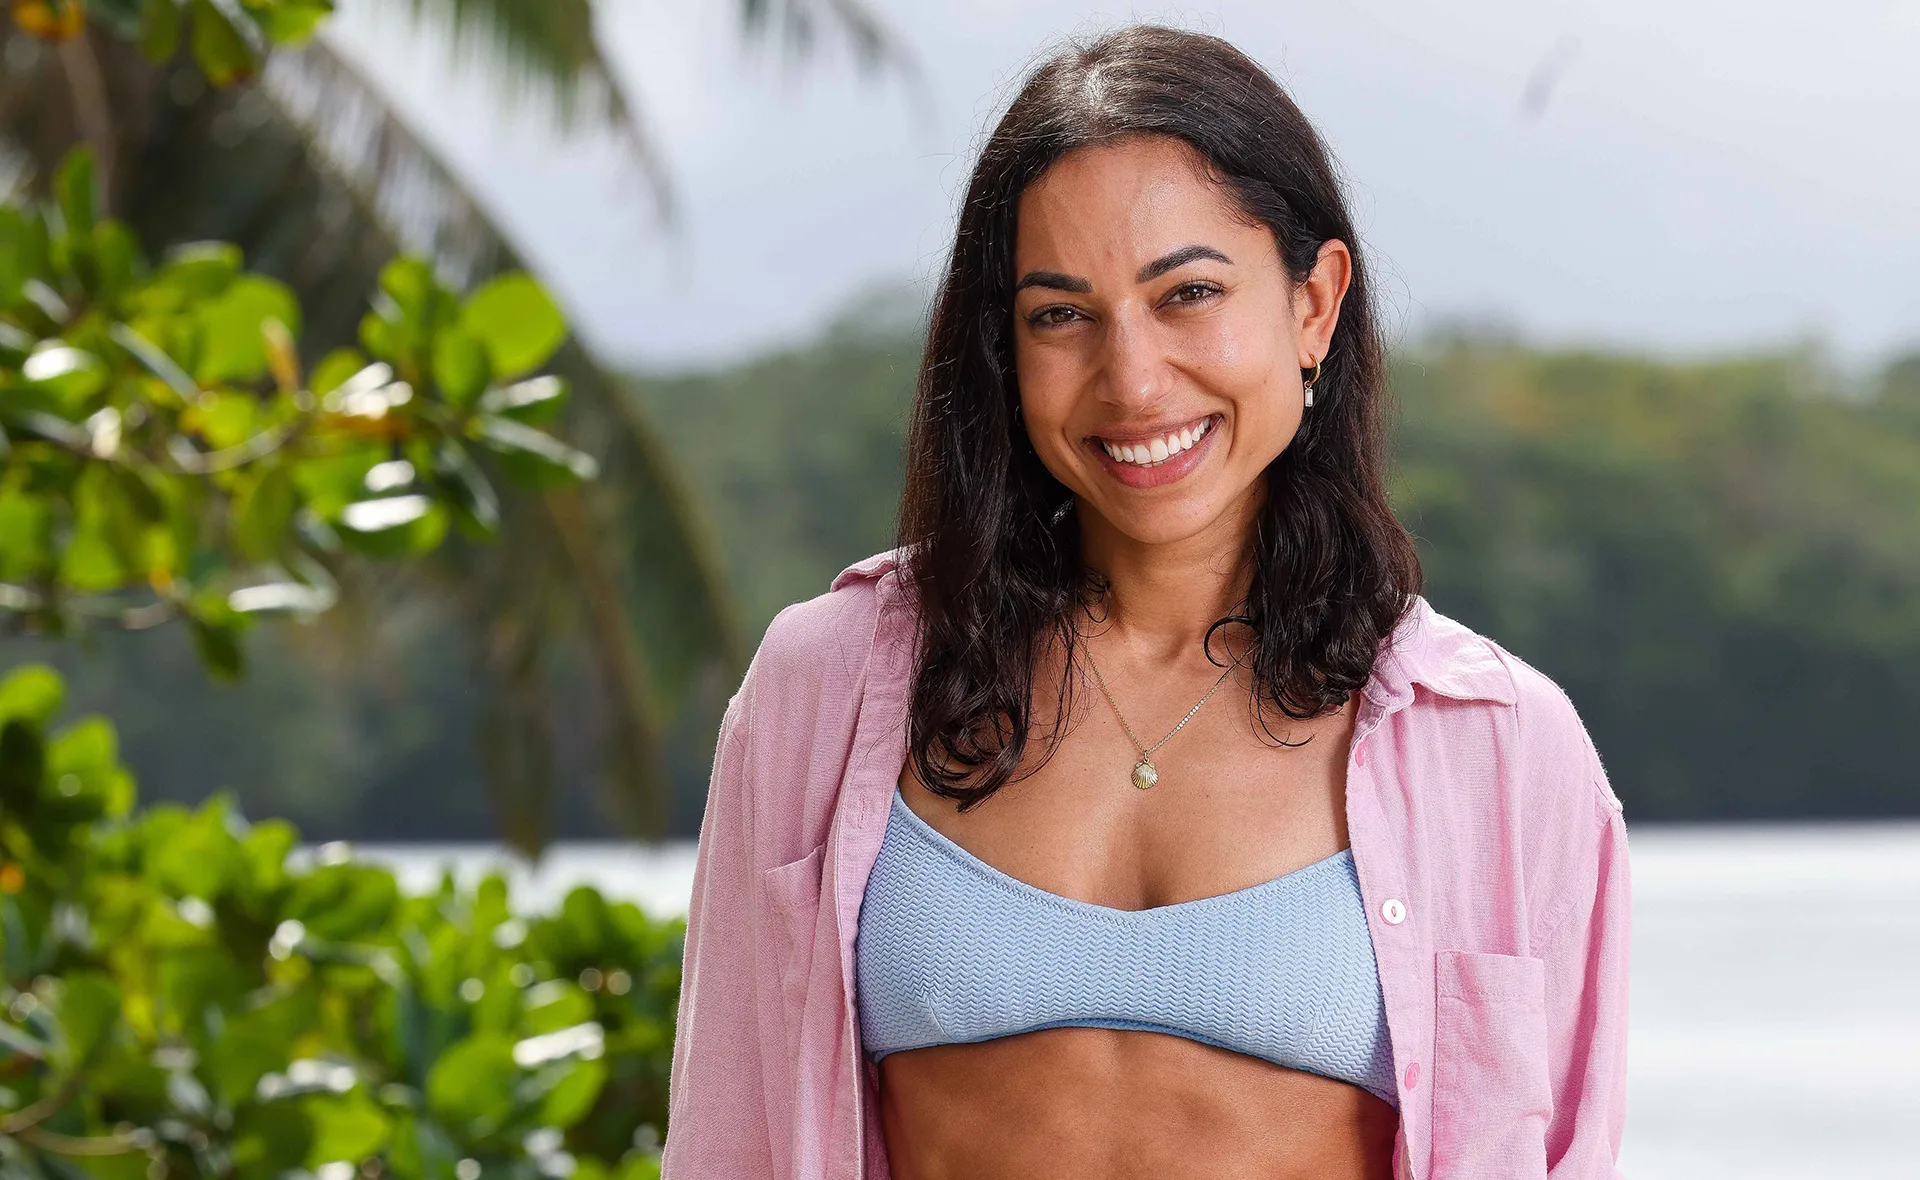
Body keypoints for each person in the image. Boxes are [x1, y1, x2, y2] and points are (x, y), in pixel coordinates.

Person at [664, 25, 1629, 1180]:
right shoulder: (828, 686)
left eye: (1189, 294)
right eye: (1060, 314)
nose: (1131, 379)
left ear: (1313, 304)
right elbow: (726, 1146)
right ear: (1004, 345)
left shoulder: (1497, 746)